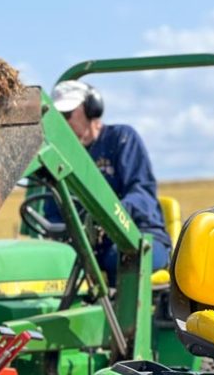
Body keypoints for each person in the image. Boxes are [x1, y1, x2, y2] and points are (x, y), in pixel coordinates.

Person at [50, 79, 171, 282]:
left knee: (121, 258)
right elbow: (52, 210)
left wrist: (106, 215)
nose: (63, 122)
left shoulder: (122, 139)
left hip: (139, 236)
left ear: (91, 109)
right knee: (56, 261)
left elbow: (141, 194)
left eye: (67, 114)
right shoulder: (60, 156)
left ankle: (119, 314)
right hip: (88, 244)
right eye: (58, 116)